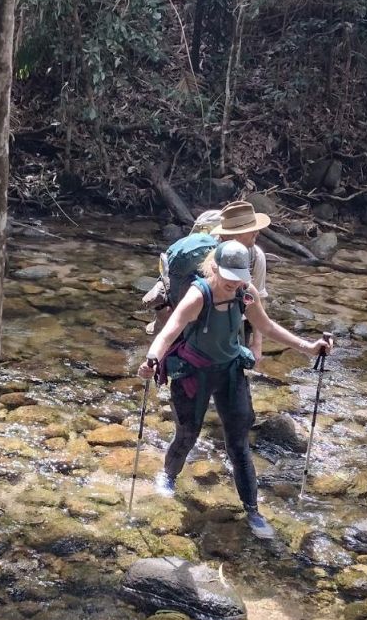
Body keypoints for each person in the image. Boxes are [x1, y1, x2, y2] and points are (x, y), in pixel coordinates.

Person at [136, 241, 331, 539]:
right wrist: (152, 360)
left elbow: (266, 327)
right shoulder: (197, 296)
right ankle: (169, 476)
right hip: (194, 373)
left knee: (239, 443)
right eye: (228, 278)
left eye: (239, 278)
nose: (234, 284)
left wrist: (308, 347)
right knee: (188, 434)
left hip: (230, 372)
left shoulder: (246, 294)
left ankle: (252, 510)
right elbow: (169, 331)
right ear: (213, 268)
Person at [209, 200, 271, 360]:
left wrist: (257, 345)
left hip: (239, 320)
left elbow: (259, 301)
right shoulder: (209, 255)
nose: (257, 233)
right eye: (251, 230)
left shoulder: (257, 257)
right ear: (231, 236)